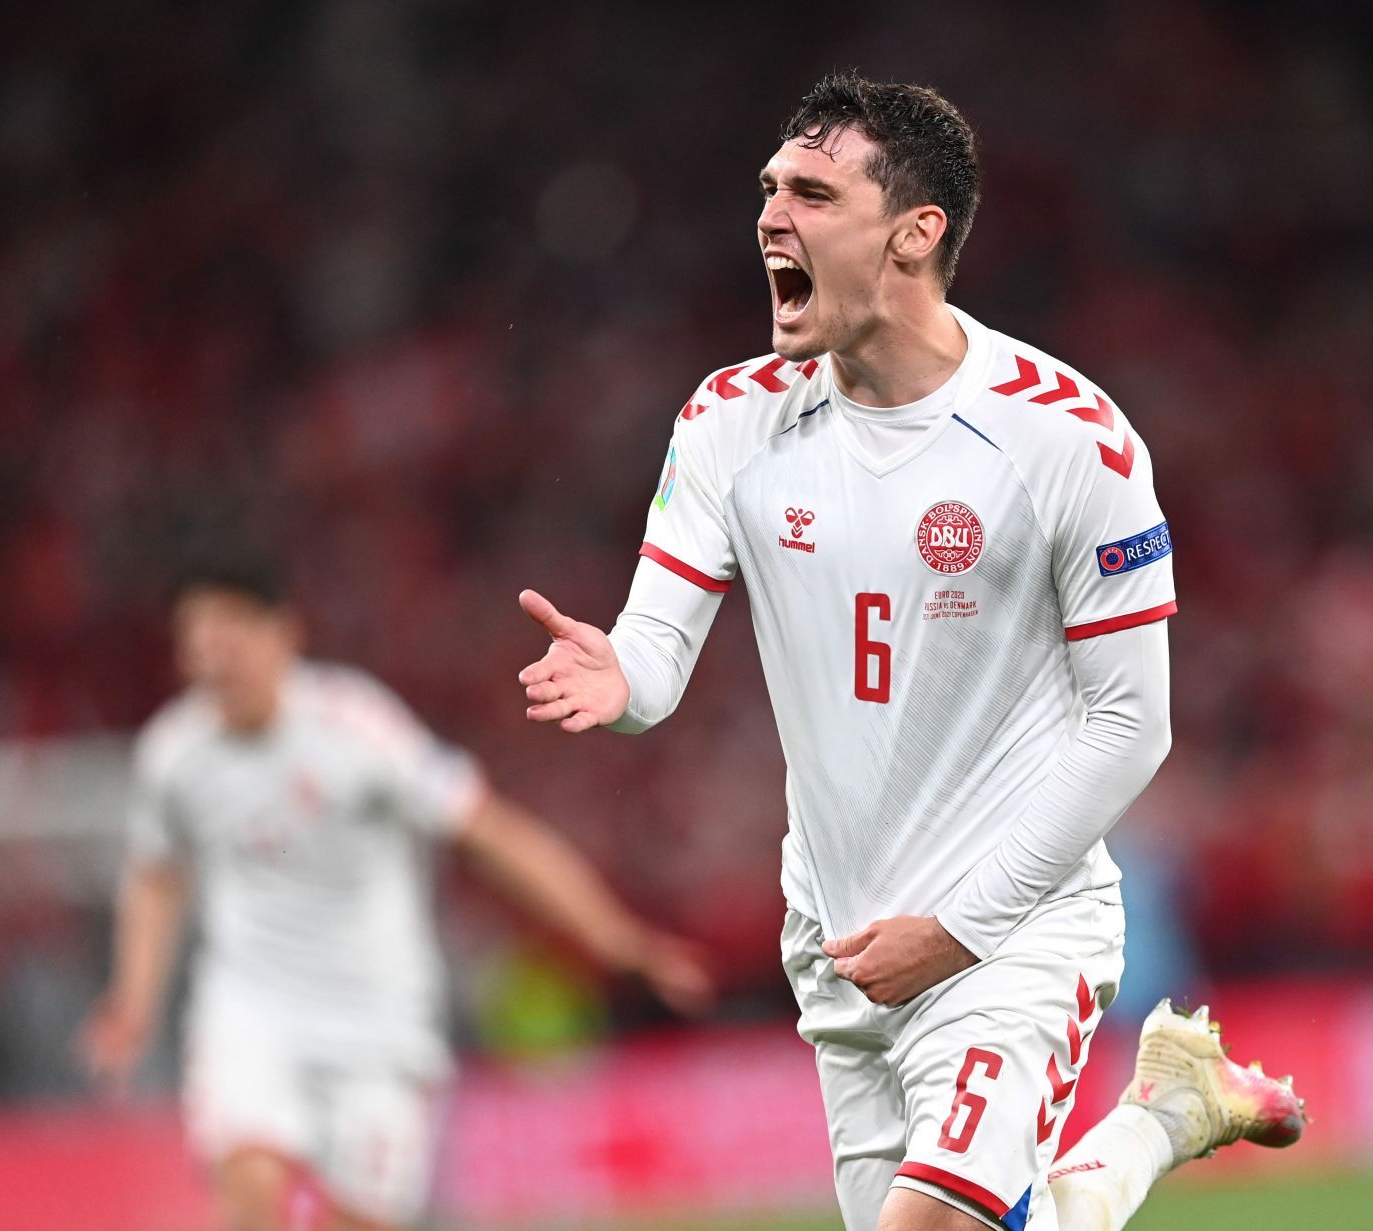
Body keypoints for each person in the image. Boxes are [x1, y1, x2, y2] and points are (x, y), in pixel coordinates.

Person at [515, 74, 1304, 1231]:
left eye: (814, 194)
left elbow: (1133, 725)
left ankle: (1159, 1116)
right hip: (837, 943)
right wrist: (619, 677)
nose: (771, 217)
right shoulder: (730, 417)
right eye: (770, 190)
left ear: (914, 232)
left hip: (1011, 932)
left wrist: (959, 928)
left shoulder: (1065, 436)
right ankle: (1164, 1118)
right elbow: (655, 651)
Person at [80, 555, 715, 1231]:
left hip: (375, 1023)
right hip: (250, 1011)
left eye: (230, 630)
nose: (215, 653)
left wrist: (617, 937)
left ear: (282, 633)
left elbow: (489, 830)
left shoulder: (357, 727)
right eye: (197, 637)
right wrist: (132, 998)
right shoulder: (174, 755)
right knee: (250, 1189)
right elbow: (156, 873)